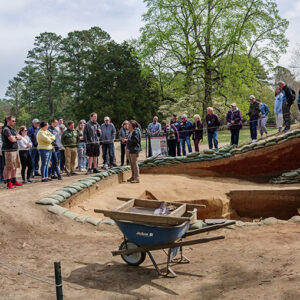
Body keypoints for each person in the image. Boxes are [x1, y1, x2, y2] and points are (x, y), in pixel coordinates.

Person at [2, 116, 22, 189]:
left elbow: (20, 137)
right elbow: (12, 139)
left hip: (15, 149)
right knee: (9, 167)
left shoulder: (13, 129)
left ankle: (14, 181)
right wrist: (16, 137)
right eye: (13, 121)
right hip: (8, 150)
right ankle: (9, 182)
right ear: (8, 120)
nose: (14, 122)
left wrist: (15, 137)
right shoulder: (6, 129)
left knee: (15, 166)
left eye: (15, 121)